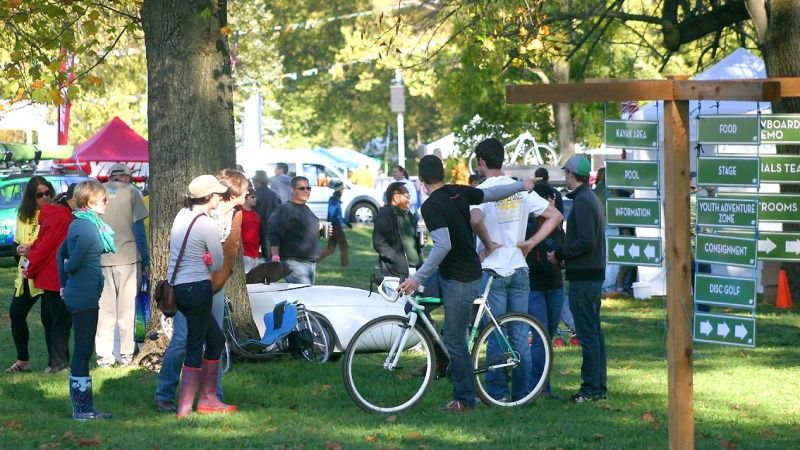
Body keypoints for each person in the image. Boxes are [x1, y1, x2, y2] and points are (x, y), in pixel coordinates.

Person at [397, 155, 535, 413]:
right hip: (449, 272)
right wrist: (520, 185)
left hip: (462, 276)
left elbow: (443, 245)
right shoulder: (457, 192)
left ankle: (464, 399)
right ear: (442, 174)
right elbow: (494, 193)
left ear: (421, 180)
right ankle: (439, 360)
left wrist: (418, 277)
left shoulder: (432, 206)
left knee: (455, 339)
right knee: (415, 309)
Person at [469, 138, 562, 402]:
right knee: (521, 332)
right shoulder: (519, 189)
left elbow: (475, 218)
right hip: (519, 267)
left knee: (496, 332)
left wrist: (488, 244)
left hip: (493, 268)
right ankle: (522, 391)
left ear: (482, 162)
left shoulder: (481, 190)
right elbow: (555, 216)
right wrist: (532, 242)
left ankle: (496, 392)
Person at [154, 169, 248, 413]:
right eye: (217, 194)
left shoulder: (183, 214)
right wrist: (207, 260)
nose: (220, 197)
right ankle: (183, 403)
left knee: (208, 339)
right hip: (199, 288)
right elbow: (216, 261)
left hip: (187, 287)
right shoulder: (206, 222)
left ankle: (206, 397)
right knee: (190, 342)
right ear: (209, 197)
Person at [57, 180, 116, 420]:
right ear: (89, 201)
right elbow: (72, 260)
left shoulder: (84, 223)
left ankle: (83, 408)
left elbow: (62, 252)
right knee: (83, 350)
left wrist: (63, 284)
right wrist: (67, 273)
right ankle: (82, 409)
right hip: (82, 296)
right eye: (103, 199)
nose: (107, 202)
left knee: (84, 348)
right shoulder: (87, 228)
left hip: (82, 293)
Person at [561, 155, 607, 403]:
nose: (565, 176)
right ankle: (599, 386)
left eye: (566, 172)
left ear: (571, 173)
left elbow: (586, 241)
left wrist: (561, 254)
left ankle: (590, 389)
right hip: (592, 274)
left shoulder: (583, 202)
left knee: (588, 333)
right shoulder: (589, 198)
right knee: (594, 333)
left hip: (585, 276)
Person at [95, 163, 149, 368]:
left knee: (104, 310)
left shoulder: (98, 192)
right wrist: (146, 259)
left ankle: (104, 357)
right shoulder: (132, 193)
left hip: (101, 258)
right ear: (126, 177)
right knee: (127, 310)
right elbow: (139, 231)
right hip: (128, 257)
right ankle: (126, 354)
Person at [25, 183, 77, 374]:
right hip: (56, 276)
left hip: (50, 276)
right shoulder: (61, 217)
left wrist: (31, 267)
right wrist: (31, 268)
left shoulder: (55, 214)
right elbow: (46, 248)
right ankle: (59, 364)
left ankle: (55, 362)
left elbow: (40, 246)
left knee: (52, 321)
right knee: (59, 322)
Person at [5, 176, 54, 373]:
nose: (45, 197)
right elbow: (16, 243)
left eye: (47, 193)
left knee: (49, 318)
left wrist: (32, 249)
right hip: (27, 273)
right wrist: (18, 250)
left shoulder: (54, 213)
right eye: (39, 194)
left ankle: (56, 363)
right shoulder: (23, 215)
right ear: (31, 197)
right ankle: (23, 361)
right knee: (16, 313)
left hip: (48, 272)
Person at [267, 176, 329, 285]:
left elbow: (304, 233)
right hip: (294, 263)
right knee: (306, 296)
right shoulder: (285, 209)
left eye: (308, 188)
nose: (306, 191)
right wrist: (275, 257)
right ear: (292, 189)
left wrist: (320, 232)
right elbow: (273, 232)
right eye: (302, 188)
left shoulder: (306, 209)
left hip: (310, 263)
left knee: (305, 298)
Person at [372, 182, 423, 278]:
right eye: (407, 196)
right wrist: (396, 259)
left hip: (415, 270)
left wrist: (421, 238)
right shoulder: (385, 215)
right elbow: (379, 243)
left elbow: (414, 241)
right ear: (396, 198)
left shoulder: (409, 215)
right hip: (395, 273)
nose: (409, 200)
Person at [319, 181, 351, 267]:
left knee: (330, 249)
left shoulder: (334, 199)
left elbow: (338, 216)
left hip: (333, 225)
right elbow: (331, 214)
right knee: (344, 246)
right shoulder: (334, 200)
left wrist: (347, 223)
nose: (343, 191)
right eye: (343, 190)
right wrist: (330, 227)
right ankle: (345, 266)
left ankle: (314, 260)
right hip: (335, 226)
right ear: (340, 190)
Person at [252, 170, 280, 261]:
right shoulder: (274, 194)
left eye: (254, 181)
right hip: (273, 226)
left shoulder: (256, 195)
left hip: (260, 226)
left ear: (258, 181)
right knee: (270, 255)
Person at [240, 188, 261, 273]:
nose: (255, 199)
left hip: (255, 252)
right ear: (245, 198)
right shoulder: (239, 213)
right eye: (252, 197)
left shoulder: (256, 214)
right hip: (244, 253)